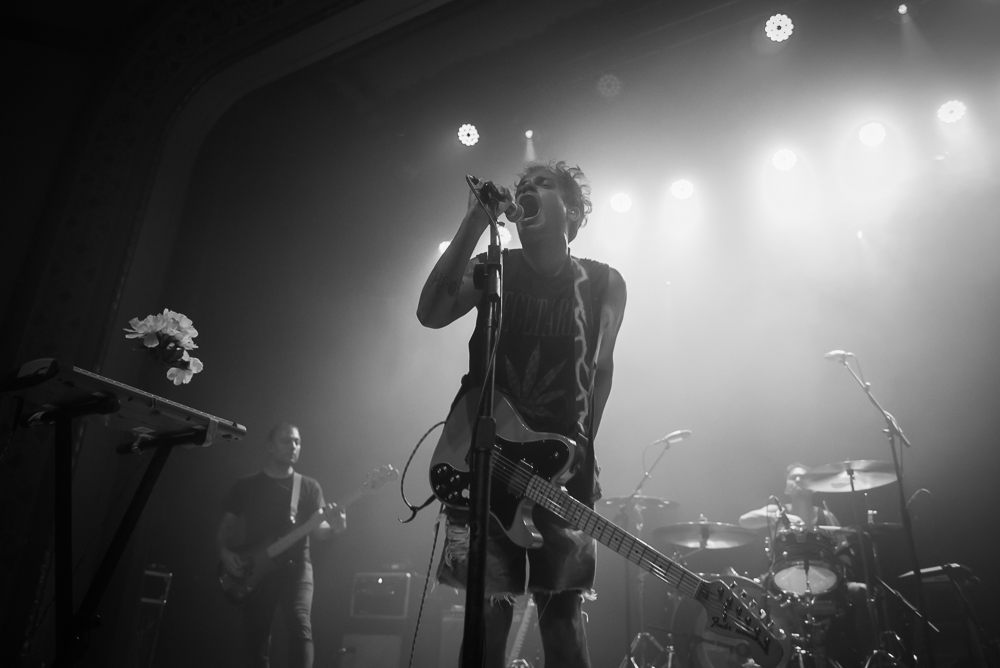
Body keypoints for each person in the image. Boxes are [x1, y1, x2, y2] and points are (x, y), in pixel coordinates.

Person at [417, 161, 627, 668]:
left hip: (564, 470)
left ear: (573, 211)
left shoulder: (603, 283)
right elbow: (430, 313)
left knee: (563, 618)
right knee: (488, 617)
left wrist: (578, 451)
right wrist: (473, 221)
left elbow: (601, 371)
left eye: (544, 185)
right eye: (524, 185)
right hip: (485, 461)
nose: (527, 189)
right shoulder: (494, 267)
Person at [217, 423, 346, 668]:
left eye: (297, 442)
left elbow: (320, 530)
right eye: (286, 441)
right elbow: (226, 526)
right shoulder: (247, 485)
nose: (293, 446)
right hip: (256, 568)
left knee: (300, 626)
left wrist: (337, 527)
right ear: (269, 447)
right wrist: (224, 552)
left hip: (296, 569)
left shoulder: (308, 486)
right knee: (255, 639)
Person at [739, 463, 839, 532]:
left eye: (803, 477)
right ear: (786, 490)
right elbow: (744, 520)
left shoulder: (827, 517)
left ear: (814, 488)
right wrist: (780, 518)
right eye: (793, 478)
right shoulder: (778, 509)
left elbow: (843, 549)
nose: (798, 479)